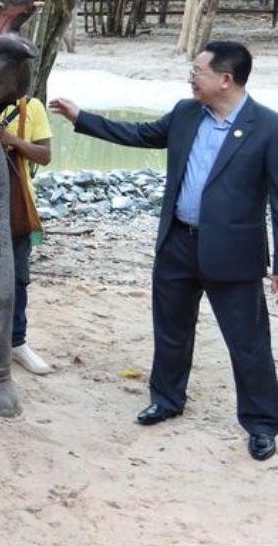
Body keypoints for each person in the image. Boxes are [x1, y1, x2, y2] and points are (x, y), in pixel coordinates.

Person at [49, 40, 278, 462]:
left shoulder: (268, 127)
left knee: (248, 342)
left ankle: (262, 422)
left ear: (226, 80)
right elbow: (137, 134)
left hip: (233, 254)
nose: (190, 77)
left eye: (198, 71)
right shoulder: (186, 113)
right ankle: (168, 399)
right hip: (177, 243)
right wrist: (82, 117)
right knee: (171, 330)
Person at [0, 96, 53, 375]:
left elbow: (44, 155)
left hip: (16, 205)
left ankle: (17, 342)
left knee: (18, 277)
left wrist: (13, 141)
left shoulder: (32, 107)